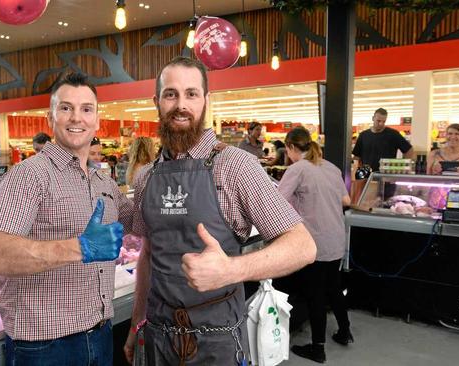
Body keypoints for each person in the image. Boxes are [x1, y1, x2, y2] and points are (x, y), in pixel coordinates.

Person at [123, 57, 316, 365]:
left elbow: (303, 246)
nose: (181, 104)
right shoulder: (147, 176)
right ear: (157, 102)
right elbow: (148, 254)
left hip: (217, 338)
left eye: (191, 94)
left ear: (206, 101)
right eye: (171, 94)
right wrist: (136, 323)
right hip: (158, 336)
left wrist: (232, 269)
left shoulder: (236, 166)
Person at [0, 73, 133, 365]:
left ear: (97, 120)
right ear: (51, 118)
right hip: (45, 347)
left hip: (100, 335)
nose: (77, 118)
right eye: (66, 108)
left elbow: (140, 222)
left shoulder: (104, 182)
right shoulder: (28, 175)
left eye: (86, 109)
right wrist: (81, 247)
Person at [278, 127, 353, 364]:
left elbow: (277, 203)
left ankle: (317, 348)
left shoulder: (297, 169)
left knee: (315, 295)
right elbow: (346, 201)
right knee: (333, 287)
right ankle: (344, 332)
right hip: (336, 240)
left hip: (315, 242)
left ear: (290, 147)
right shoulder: (330, 167)